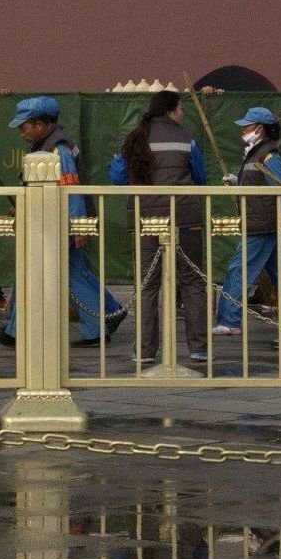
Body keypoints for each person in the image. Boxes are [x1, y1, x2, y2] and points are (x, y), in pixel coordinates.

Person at [0, 97, 126, 350]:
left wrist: (78, 228)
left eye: (24, 127)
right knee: (75, 274)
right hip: (55, 224)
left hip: (57, 226)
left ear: (40, 125)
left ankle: (18, 331)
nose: (21, 132)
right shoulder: (49, 145)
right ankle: (110, 313)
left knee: (37, 273)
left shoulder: (58, 150)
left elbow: (70, 191)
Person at [110, 90, 209, 365]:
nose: (183, 113)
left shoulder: (134, 139)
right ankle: (198, 348)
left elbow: (117, 179)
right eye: (181, 109)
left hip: (146, 219)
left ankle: (143, 350)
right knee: (192, 280)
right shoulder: (188, 139)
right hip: (185, 218)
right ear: (172, 109)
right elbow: (200, 179)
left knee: (147, 283)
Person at [211, 107, 281, 341]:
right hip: (264, 221)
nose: (243, 131)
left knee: (240, 269)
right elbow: (261, 186)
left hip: (262, 223)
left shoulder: (268, 156)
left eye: (246, 126)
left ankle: (229, 320)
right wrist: (238, 184)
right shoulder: (258, 153)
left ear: (259, 129)